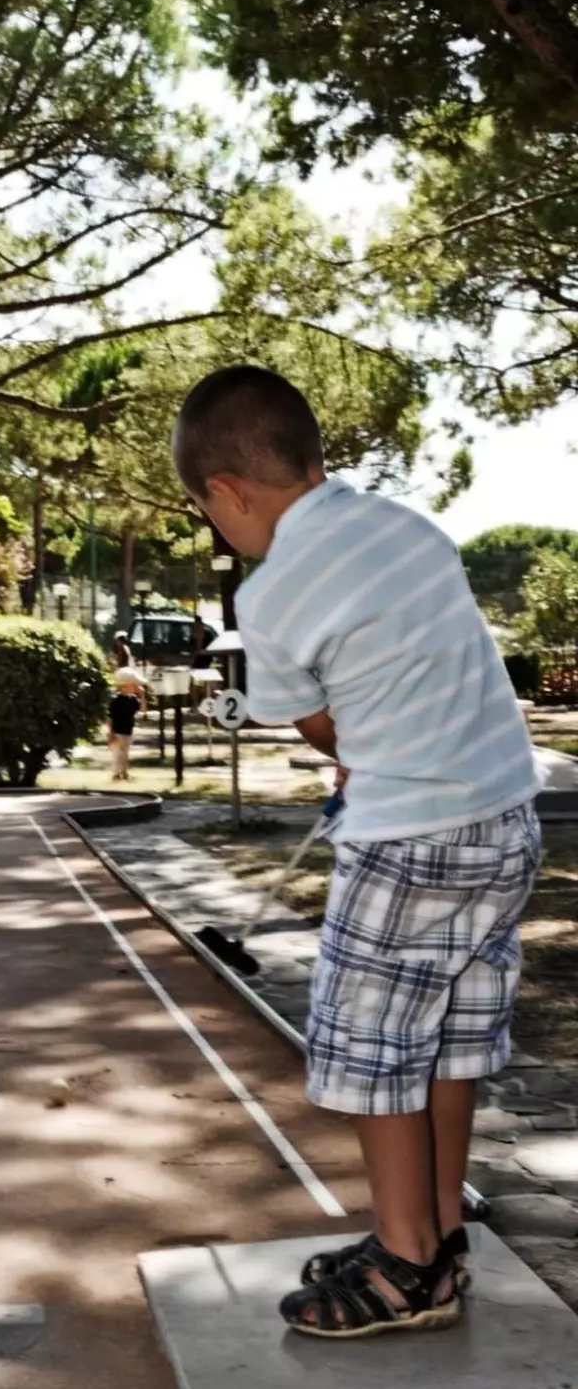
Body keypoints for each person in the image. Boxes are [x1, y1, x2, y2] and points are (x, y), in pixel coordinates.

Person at [172, 364, 540, 1342]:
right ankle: (440, 1225)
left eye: (219, 522)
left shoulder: (273, 592)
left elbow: (327, 730)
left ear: (227, 494)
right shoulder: (410, 529)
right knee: (449, 1034)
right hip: (503, 814)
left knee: (373, 1047)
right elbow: (429, 668)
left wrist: (360, 752)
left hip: (408, 832)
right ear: (313, 457)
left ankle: (406, 1263)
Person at [108, 667, 143, 781]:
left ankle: (124, 772)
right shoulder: (116, 700)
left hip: (128, 730)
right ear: (125, 685)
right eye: (133, 685)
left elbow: (143, 709)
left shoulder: (133, 699)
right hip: (117, 730)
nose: (135, 687)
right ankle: (116, 774)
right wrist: (111, 733)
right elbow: (111, 717)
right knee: (118, 754)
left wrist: (142, 695)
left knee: (125, 754)